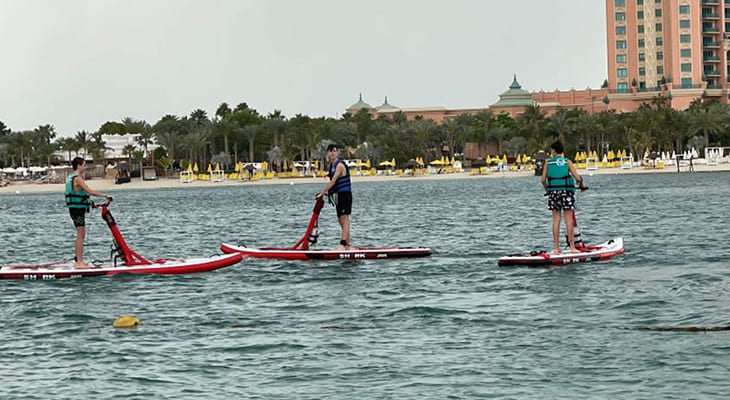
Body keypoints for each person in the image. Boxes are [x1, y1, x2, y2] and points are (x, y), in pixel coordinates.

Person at [66, 157, 113, 268]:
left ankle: (79, 260)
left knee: (81, 234)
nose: (85, 167)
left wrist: (91, 203)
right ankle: (79, 262)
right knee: (81, 234)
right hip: (76, 210)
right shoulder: (77, 178)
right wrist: (106, 195)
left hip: (76, 208)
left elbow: (79, 193)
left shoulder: (70, 177)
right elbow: (90, 191)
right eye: (84, 165)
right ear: (78, 166)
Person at [541, 141, 584, 255]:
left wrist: (548, 191)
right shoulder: (567, 162)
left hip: (553, 193)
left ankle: (556, 248)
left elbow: (543, 180)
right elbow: (578, 178)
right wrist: (581, 185)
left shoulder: (548, 163)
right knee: (568, 220)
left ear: (554, 151)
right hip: (566, 193)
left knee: (556, 220)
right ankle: (572, 247)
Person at [317, 144, 352, 250]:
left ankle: (343, 244)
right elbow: (332, 179)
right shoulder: (331, 165)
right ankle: (347, 244)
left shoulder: (339, 165)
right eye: (331, 151)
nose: (333, 153)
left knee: (344, 218)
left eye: (335, 151)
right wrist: (327, 192)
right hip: (339, 195)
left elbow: (333, 181)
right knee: (340, 219)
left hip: (345, 194)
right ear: (328, 153)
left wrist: (323, 192)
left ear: (337, 153)